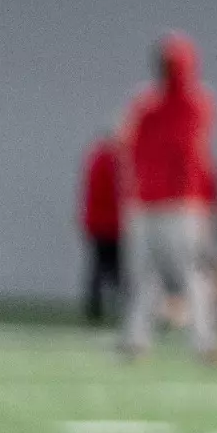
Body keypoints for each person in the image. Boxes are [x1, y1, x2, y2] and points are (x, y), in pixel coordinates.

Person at [117, 33, 217, 359]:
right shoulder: (147, 102)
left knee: (192, 273)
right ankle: (136, 338)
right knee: (143, 275)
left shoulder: (195, 102)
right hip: (148, 201)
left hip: (183, 204)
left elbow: (185, 147)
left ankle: (204, 341)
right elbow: (128, 145)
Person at [78, 129, 124, 322]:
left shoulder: (95, 157)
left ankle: (94, 309)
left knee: (98, 268)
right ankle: (116, 306)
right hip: (112, 224)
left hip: (97, 223)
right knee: (116, 269)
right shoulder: (116, 160)